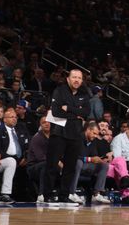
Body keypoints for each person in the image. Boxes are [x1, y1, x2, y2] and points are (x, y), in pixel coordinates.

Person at [43, 69, 90, 206]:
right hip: (58, 133)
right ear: (68, 79)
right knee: (52, 165)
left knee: (70, 167)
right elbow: (56, 111)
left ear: (82, 80)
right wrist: (76, 115)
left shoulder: (84, 94)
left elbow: (86, 112)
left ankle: (64, 195)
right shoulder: (59, 90)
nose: (76, 80)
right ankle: (47, 195)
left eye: (79, 78)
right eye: (74, 77)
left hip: (75, 135)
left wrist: (68, 108)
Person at [69, 121, 111, 204]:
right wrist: (90, 159)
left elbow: (94, 155)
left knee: (104, 165)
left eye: (96, 134)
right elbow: (73, 156)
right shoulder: (78, 138)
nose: (95, 136)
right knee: (78, 162)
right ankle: (71, 193)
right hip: (74, 164)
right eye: (94, 133)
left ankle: (96, 194)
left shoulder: (93, 140)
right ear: (88, 129)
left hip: (86, 166)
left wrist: (99, 159)